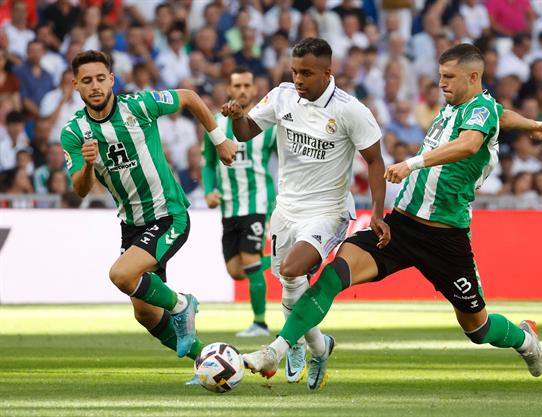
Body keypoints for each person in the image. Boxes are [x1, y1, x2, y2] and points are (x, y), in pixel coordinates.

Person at [242, 43, 542, 389]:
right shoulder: (464, 107)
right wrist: (530, 124)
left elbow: (470, 144)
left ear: (473, 77)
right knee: (333, 275)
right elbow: (501, 115)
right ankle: (277, 350)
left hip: (446, 237)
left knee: (478, 328)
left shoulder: (479, 110)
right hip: (401, 225)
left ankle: (524, 339)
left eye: (449, 77)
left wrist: (412, 163)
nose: (441, 83)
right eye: (440, 75)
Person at [221, 37, 388, 391]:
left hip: (327, 211)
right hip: (287, 208)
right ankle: (317, 345)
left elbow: (374, 161)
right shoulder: (282, 96)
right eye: (295, 71)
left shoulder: (350, 110)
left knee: (294, 269)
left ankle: (284, 345)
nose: (298, 79)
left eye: (307, 73)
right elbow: (248, 132)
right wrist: (238, 118)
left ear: (328, 72)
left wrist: (377, 213)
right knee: (289, 281)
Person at [60, 50, 237, 372]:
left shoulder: (138, 107)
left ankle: (182, 304)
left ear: (111, 79)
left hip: (168, 215)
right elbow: (80, 189)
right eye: (87, 81)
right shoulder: (73, 133)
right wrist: (87, 165)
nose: (95, 86)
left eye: (101, 78)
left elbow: (189, 97)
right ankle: (209, 363)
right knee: (144, 314)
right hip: (132, 225)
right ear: (76, 85)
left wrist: (219, 139)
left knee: (121, 274)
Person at [204, 66, 277, 337]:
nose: (243, 90)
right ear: (229, 89)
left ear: (255, 89)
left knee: (249, 259)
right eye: (238, 86)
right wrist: (209, 191)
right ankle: (287, 261)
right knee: (237, 271)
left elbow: (284, 160)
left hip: (258, 203)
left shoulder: (266, 124)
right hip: (228, 206)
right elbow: (209, 163)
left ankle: (260, 323)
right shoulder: (214, 123)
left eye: (248, 85)